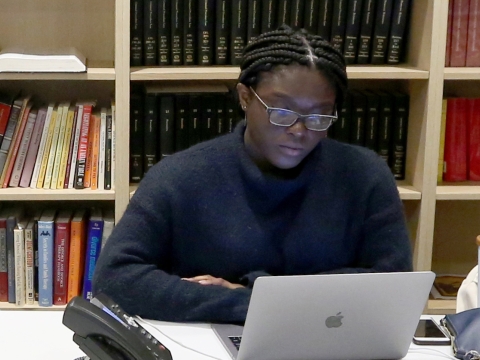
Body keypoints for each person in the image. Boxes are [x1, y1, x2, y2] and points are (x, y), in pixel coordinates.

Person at [92, 25, 412, 324]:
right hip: (211, 344)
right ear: (245, 97)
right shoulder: (180, 177)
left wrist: (259, 293)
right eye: (282, 112)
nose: (299, 130)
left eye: (319, 116)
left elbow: (394, 284)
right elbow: (115, 279)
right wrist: (247, 305)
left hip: (327, 338)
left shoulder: (364, 175)